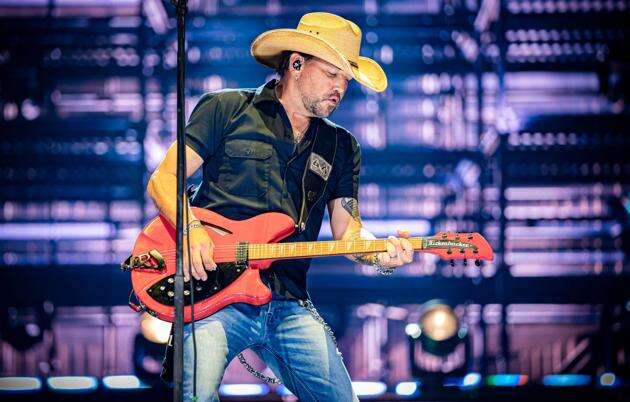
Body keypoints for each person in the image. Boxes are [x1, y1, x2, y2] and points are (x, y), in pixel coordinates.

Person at [147, 12, 414, 402]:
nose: (340, 88)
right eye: (332, 74)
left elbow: (348, 231)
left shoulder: (341, 146)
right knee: (195, 396)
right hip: (212, 292)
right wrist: (191, 231)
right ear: (296, 64)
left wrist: (380, 255)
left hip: (288, 301)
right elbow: (163, 179)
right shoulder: (226, 109)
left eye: (346, 80)